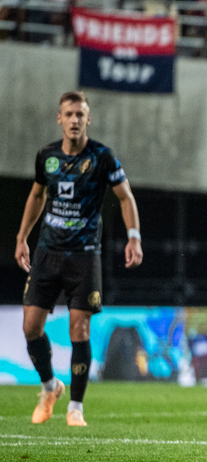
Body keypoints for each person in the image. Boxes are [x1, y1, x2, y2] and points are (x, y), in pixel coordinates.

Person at [17, 91, 143, 428]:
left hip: (85, 256)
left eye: (80, 114)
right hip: (47, 252)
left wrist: (134, 237)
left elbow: (126, 197)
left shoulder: (102, 157)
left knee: (80, 328)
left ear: (89, 119)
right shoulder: (47, 156)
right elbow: (37, 194)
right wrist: (21, 237)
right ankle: (50, 387)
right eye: (69, 114)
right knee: (30, 327)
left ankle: (75, 407)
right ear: (59, 118)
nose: (74, 120)